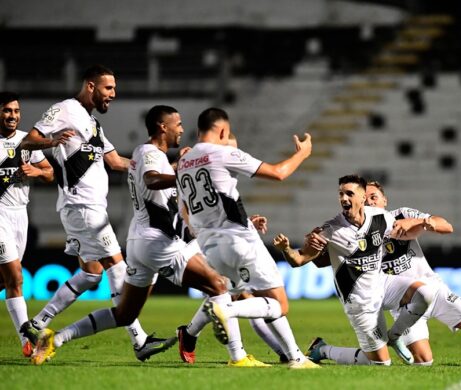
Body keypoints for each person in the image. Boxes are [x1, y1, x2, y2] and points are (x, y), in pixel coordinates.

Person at [27, 105, 268, 367]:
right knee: (219, 286)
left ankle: (56, 339)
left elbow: (170, 198)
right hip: (159, 242)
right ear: (163, 127)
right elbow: (153, 180)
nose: (182, 129)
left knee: (124, 313)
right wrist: (181, 170)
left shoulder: (154, 156)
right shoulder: (149, 151)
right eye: (178, 124)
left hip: (143, 243)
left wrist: (181, 168)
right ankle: (237, 356)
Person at [19, 65, 174, 362]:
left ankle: (36, 324)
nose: (113, 95)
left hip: (86, 208)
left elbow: (116, 162)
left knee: (92, 274)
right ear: (91, 86)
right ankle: (139, 341)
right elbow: (29, 140)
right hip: (83, 206)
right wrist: (52, 142)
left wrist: (162, 169)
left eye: (114, 89)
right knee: (118, 265)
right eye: (108, 88)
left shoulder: (93, 125)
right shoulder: (65, 109)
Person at [175, 107, 318, 369]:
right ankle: (226, 312)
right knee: (278, 304)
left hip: (209, 246)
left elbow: (185, 212)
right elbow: (278, 173)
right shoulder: (222, 152)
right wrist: (302, 154)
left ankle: (294, 358)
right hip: (238, 241)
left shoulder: (183, 163)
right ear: (222, 131)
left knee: (235, 293)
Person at [273, 174, 436, 366]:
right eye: (341, 194)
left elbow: (405, 231)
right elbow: (298, 260)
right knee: (382, 364)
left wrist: (421, 222)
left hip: (382, 285)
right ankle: (323, 349)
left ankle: (394, 335)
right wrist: (286, 249)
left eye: (349, 193)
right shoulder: (331, 230)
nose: (344, 198)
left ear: (362, 198)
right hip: (359, 301)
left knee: (424, 292)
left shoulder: (381, 217)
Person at [361, 180, 461, 364]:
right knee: (423, 361)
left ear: (384, 200)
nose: (370, 202)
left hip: (434, 290)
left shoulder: (401, 215)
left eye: (374, 197)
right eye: (365, 199)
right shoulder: (359, 234)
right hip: (405, 305)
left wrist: (419, 221)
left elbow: (446, 226)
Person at [0, 91, 54, 357]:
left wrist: (37, 171)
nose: (13, 116)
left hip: (20, 214)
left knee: (7, 282)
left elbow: (50, 173)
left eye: (16, 111)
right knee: (16, 278)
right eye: (7, 111)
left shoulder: (26, 141)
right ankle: (29, 340)